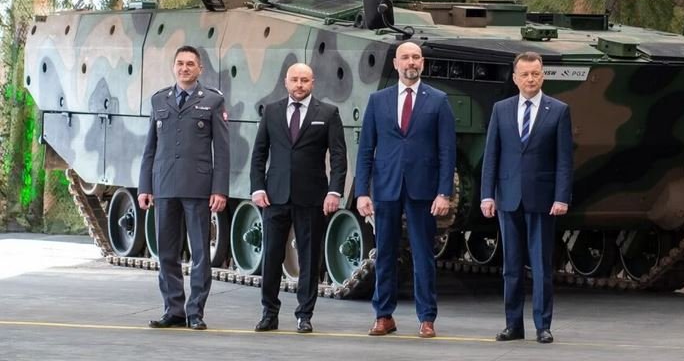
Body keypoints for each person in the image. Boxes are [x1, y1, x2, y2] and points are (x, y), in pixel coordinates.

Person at [355, 41, 457, 339]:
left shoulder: (438, 100)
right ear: (396, 63)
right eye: (405, 57)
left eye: (416, 57)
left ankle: (426, 318)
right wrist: (362, 192)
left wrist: (444, 192)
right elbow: (366, 149)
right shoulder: (379, 100)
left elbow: (447, 151)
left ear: (422, 63)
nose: (411, 62)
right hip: (386, 189)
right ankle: (383, 316)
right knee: (385, 254)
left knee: (423, 255)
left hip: (423, 190)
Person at [480, 51, 573, 344]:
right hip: (508, 199)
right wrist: (486, 195)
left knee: (542, 266)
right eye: (525, 74)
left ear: (542, 76)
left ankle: (543, 326)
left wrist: (561, 197)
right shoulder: (501, 109)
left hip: (543, 200)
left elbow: (564, 160)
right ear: (515, 78)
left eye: (535, 74)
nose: (530, 79)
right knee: (511, 267)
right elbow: (491, 156)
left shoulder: (558, 110)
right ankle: (513, 325)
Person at [138, 45, 229, 331]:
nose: (184, 68)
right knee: (166, 253)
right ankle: (173, 309)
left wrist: (219, 189)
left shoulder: (212, 101)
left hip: (198, 187)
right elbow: (150, 148)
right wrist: (144, 186)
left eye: (190, 64)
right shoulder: (159, 100)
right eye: (180, 63)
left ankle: (195, 312)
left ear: (200, 68)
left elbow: (222, 150)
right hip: (164, 185)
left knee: (200, 254)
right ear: (173, 67)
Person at [250, 63, 347, 334]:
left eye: (304, 80)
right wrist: (257, 187)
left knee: (309, 258)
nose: (299, 84)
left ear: (313, 82)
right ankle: (269, 313)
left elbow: (338, 156)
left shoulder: (327, 113)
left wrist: (334, 191)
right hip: (275, 196)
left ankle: (304, 315)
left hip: (312, 196)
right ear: (286, 82)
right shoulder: (271, 111)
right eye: (295, 79)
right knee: (271, 257)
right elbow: (259, 153)